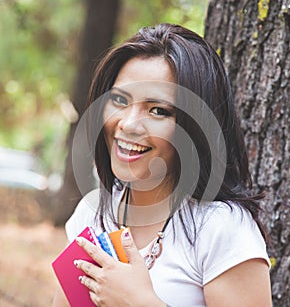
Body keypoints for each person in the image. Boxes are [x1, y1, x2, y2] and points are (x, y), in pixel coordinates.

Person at [53, 23, 272, 306]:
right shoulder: (93, 214)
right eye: (119, 99)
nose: (129, 124)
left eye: (158, 110)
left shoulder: (220, 229)